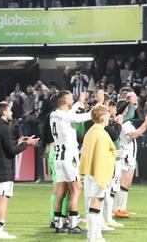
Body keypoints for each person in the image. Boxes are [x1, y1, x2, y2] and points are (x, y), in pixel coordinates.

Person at [0, 101, 38, 239]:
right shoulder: (4, 128)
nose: (12, 113)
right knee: (3, 198)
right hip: (4, 169)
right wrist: (27, 144)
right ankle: (0, 230)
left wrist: (19, 142)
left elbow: (4, 146)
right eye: (10, 111)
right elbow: (11, 151)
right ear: (4, 113)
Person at [50, 91, 91, 234]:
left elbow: (71, 113)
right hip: (69, 156)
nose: (72, 98)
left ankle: (58, 224)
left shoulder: (54, 114)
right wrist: (99, 108)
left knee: (61, 191)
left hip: (58, 157)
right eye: (70, 97)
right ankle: (73, 225)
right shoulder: (66, 116)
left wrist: (79, 102)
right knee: (76, 190)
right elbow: (82, 117)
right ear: (64, 100)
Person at [78, 104, 117, 242]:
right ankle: (92, 237)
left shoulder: (91, 131)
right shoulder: (100, 133)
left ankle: (97, 235)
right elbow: (101, 157)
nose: (109, 118)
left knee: (94, 205)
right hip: (98, 173)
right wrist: (115, 155)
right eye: (107, 115)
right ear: (101, 118)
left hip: (90, 172)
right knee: (96, 203)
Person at [112, 101, 147, 218]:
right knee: (123, 182)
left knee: (127, 183)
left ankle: (122, 208)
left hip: (130, 155)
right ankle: (117, 208)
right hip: (125, 155)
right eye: (128, 107)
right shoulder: (122, 121)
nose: (131, 109)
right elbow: (133, 134)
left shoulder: (127, 122)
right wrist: (145, 124)